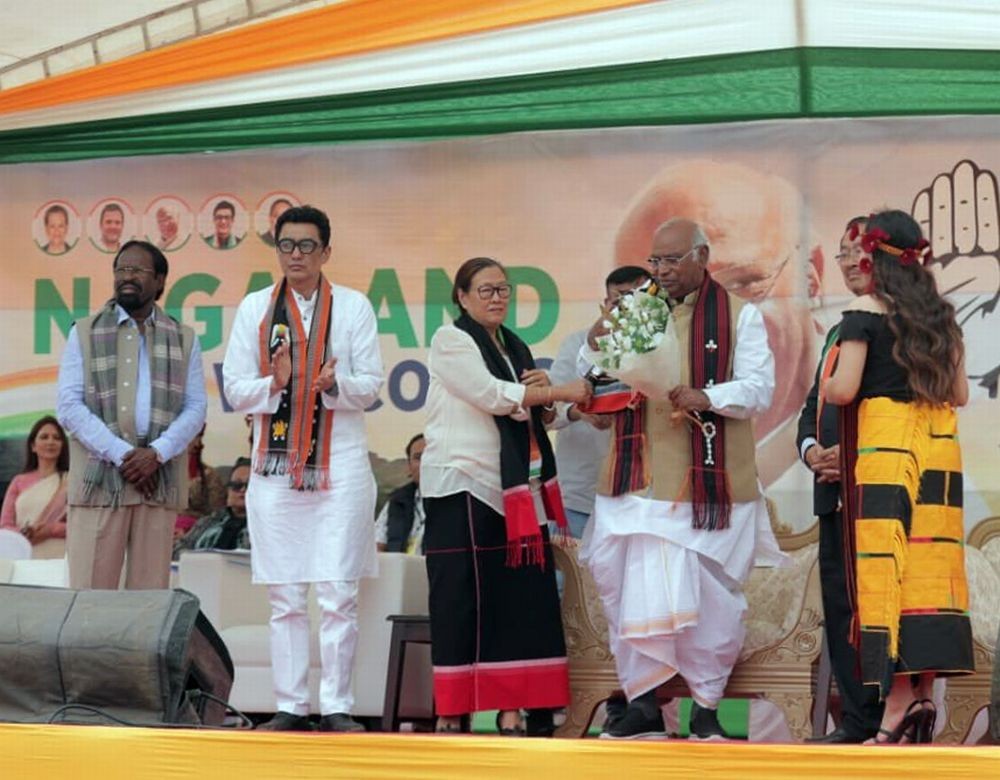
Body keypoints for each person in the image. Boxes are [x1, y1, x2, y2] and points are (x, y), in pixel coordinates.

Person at [581, 217, 783, 740]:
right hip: (634, 480)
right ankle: (643, 704)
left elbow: (759, 389)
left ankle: (707, 708)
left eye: (671, 261)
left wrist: (707, 397)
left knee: (710, 596)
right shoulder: (637, 310)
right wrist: (599, 336)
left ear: (701, 256)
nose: (661, 271)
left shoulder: (741, 317)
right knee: (622, 586)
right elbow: (595, 370)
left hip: (706, 486)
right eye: (655, 261)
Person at [222, 204, 383, 733]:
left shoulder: (354, 308)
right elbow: (234, 388)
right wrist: (277, 381)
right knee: (285, 594)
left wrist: (333, 383)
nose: (296, 255)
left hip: (341, 467)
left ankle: (336, 705)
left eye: (307, 246)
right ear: (278, 251)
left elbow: (371, 385)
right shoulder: (255, 309)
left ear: (326, 251)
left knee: (338, 592)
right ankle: (290, 705)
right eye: (286, 245)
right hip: (273, 468)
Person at [421, 256, 592, 736]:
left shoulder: (515, 345)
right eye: (485, 290)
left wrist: (575, 404)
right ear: (461, 296)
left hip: (516, 489)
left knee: (516, 601)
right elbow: (494, 395)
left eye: (503, 290)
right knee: (462, 599)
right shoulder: (451, 339)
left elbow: (538, 415)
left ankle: (514, 708)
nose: (497, 298)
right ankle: (452, 710)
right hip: (464, 483)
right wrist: (558, 390)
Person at [822, 209, 973, 744]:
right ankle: (921, 699)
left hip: (887, 450)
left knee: (887, 571)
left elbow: (843, 390)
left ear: (873, 256)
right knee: (929, 569)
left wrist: (826, 375)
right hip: (937, 454)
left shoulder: (864, 310)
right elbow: (958, 395)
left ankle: (896, 706)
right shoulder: (941, 315)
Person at [56, 240, 207, 589]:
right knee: (89, 596)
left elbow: (196, 407)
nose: (127, 276)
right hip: (100, 482)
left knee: (148, 599)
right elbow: (69, 405)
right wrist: (125, 455)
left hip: (157, 480)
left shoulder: (183, 338)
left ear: (161, 281)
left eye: (138, 270)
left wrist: (157, 453)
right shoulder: (84, 331)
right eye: (121, 269)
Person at [796, 216, 885, 744]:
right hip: (832, 492)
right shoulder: (840, 328)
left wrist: (848, 457)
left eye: (860, 252)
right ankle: (855, 723)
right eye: (843, 252)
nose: (851, 262)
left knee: (875, 607)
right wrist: (812, 453)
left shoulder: (896, 324)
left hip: (877, 495)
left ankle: (886, 720)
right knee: (841, 607)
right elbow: (815, 406)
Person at [548, 265, 650, 539]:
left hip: (639, 497)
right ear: (605, 305)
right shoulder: (576, 345)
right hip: (580, 496)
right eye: (619, 301)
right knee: (570, 582)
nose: (625, 310)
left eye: (634, 300)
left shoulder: (659, 350)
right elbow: (549, 412)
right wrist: (580, 412)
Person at [0, 415, 69, 559]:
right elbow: (5, 525)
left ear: (62, 445)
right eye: (44, 437)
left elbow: (81, 525)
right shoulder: (18, 481)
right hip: (23, 554)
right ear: (33, 446)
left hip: (60, 555)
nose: (51, 441)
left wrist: (51, 529)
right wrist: (27, 532)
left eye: (56, 438)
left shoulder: (71, 482)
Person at [174, 457, 252, 559]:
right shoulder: (208, 522)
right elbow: (178, 552)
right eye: (236, 485)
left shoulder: (266, 528)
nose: (243, 490)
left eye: (250, 485)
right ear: (228, 489)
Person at [374, 433, 426, 554]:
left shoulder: (456, 502)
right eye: (418, 458)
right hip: (400, 569)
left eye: (431, 456)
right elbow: (377, 546)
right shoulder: (397, 501)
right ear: (408, 466)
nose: (425, 463)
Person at [174, 424, 228, 537]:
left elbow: (217, 515)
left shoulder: (210, 476)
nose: (196, 443)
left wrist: (191, 531)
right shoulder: (165, 472)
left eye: (199, 437)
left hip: (196, 531)